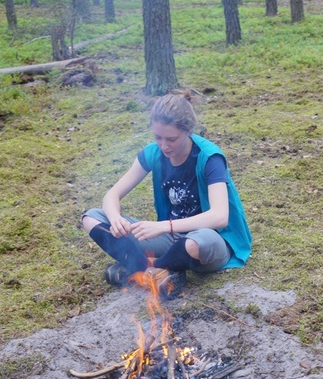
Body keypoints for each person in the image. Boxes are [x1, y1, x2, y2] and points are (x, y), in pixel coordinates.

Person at [82, 91, 252, 299]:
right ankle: (153, 270)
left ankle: (143, 268)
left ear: (188, 131)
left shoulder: (209, 158)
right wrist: (116, 219)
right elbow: (112, 195)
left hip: (211, 241)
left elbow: (219, 217)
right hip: (170, 239)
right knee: (93, 217)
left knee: (198, 241)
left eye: (171, 139)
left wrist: (164, 226)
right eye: (158, 137)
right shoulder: (154, 153)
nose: (164, 146)